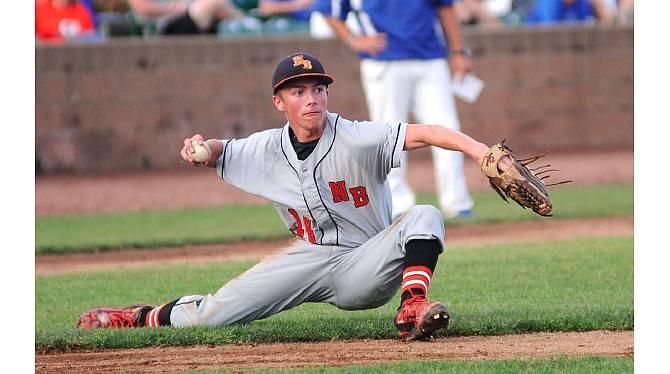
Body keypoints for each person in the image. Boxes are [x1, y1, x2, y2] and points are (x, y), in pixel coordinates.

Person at [76, 52, 505, 341]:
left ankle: (412, 307)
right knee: (213, 315)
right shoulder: (266, 147)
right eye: (298, 92)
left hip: (365, 263)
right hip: (307, 258)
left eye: (317, 89)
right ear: (279, 102)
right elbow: (228, 148)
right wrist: (204, 151)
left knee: (424, 214)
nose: (311, 99)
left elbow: (427, 132)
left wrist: (479, 150)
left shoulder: (356, 137)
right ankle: (139, 316)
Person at [315, 0, 476, 220]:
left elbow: (445, 7)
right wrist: (353, 39)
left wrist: (458, 51)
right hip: (384, 61)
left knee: (448, 129)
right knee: (387, 136)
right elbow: (329, 9)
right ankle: (398, 205)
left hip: (430, 58)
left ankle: (457, 203)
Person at [126, 0, 247, 35]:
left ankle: (247, 27)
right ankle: (251, 26)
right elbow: (142, 8)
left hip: (186, 19)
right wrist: (170, 9)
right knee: (212, 3)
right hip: (165, 28)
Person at [525, 0, 614, 25]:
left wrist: (597, 4)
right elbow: (550, 35)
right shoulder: (550, 4)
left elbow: (608, 22)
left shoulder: (583, 3)